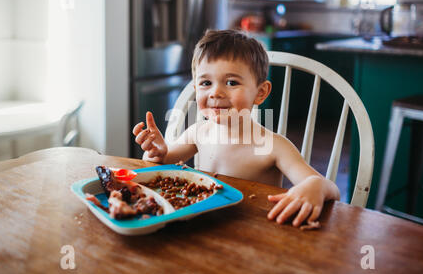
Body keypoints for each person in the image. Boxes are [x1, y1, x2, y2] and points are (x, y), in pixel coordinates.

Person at [132, 29, 340, 227]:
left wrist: (315, 186)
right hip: (199, 226)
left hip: (253, 232)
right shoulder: (197, 133)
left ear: (260, 92)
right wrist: (156, 152)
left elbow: (331, 189)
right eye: (206, 83)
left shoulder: (274, 147)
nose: (216, 93)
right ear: (195, 89)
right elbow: (158, 165)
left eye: (231, 82)